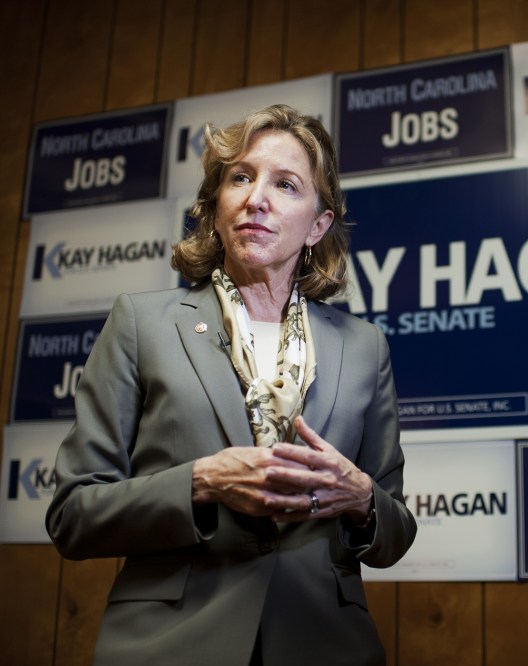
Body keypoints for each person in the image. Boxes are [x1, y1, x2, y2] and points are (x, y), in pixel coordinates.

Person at [45, 104, 417, 665]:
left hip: (324, 645)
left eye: (286, 184)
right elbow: (74, 515)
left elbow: (395, 531)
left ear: (318, 223)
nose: (255, 198)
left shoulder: (364, 347)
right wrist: (200, 481)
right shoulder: (142, 324)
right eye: (240, 177)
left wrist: (361, 498)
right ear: (216, 207)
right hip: (171, 645)